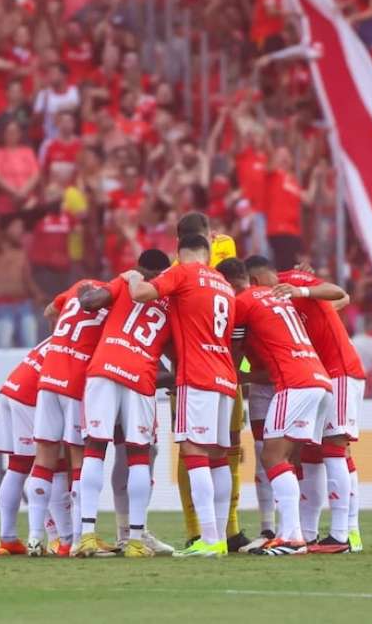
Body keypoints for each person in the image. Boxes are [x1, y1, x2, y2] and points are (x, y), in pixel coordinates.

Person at [126, 233, 237, 557]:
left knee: (193, 450)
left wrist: (133, 277)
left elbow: (142, 293)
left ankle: (210, 537)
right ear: (207, 253)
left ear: (182, 253)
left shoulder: (182, 271)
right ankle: (220, 537)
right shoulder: (223, 283)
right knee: (218, 457)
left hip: (197, 374)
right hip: (225, 376)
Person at [245, 255, 364, 554]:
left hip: (339, 370)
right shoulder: (273, 303)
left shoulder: (293, 281)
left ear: (256, 281)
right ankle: (310, 534)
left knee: (335, 448)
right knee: (312, 453)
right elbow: (335, 304)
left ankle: (344, 534)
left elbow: (340, 293)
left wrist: (301, 290)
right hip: (321, 373)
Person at [218, 258, 333, 556]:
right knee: (291, 458)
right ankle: (291, 533)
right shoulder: (278, 297)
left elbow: (234, 350)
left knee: (272, 455)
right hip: (319, 379)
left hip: (294, 384)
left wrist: (233, 375)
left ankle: (291, 538)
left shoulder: (243, 301)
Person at [74, 248, 174, 559]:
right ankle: (134, 540)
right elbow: (176, 356)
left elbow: (88, 302)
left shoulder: (125, 281)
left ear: (139, 268)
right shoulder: (172, 299)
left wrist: (108, 283)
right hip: (141, 374)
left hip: (103, 368)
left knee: (95, 447)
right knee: (139, 456)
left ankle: (87, 535)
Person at [170, 211, 249, 552]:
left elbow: (235, 281)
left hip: (217, 361)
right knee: (203, 450)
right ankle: (201, 530)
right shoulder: (180, 270)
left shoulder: (220, 250)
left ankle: (225, 530)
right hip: (207, 365)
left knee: (220, 448)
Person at [25, 279, 108, 557]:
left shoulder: (78, 287)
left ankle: (36, 537)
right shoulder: (112, 298)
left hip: (49, 375)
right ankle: (77, 540)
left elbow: (49, 311)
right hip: (75, 379)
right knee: (79, 457)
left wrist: (63, 332)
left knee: (44, 455)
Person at [0, 337, 74, 557]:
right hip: (31, 394)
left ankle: (7, 539)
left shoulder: (67, 325)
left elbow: (51, 311)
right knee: (53, 463)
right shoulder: (91, 334)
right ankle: (66, 539)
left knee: (18, 465)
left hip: (13, 385)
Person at [0, 217, 42, 348]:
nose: (21, 231)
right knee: (2, 347)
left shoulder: (22, 254)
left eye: (21, 227)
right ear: (6, 230)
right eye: (17, 227)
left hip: (23, 305)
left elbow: (27, 279)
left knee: (30, 347)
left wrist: (38, 295)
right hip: (1, 306)